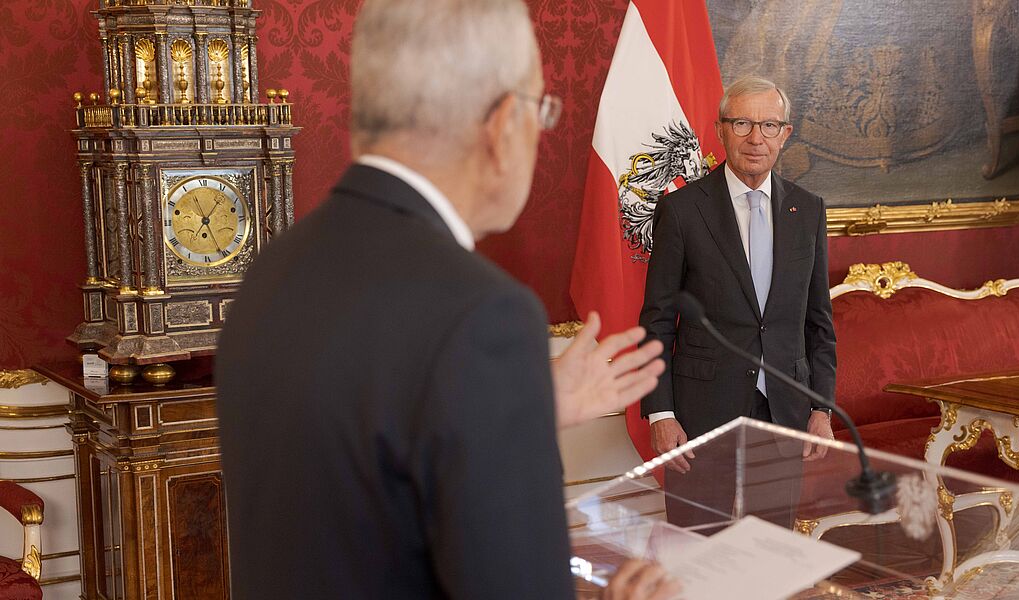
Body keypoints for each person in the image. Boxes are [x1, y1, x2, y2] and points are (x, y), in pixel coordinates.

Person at [216, 1, 676, 598]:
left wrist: (521, 405)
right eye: (541, 111)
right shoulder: (482, 316)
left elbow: (371, 478)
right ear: (504, 122)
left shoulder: (274, 270)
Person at [639, 76, 838, 469]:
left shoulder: (808, 210)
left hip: (787, 414)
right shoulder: (681, 211)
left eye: (769, 126)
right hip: (701, 417)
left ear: (785, 135)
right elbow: (658, 320)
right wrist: (661, 413)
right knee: (698, 532)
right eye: (742, 124)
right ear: (720, 130)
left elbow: (819, 322)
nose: (755, 138)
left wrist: (821, 407)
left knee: (770, 532)